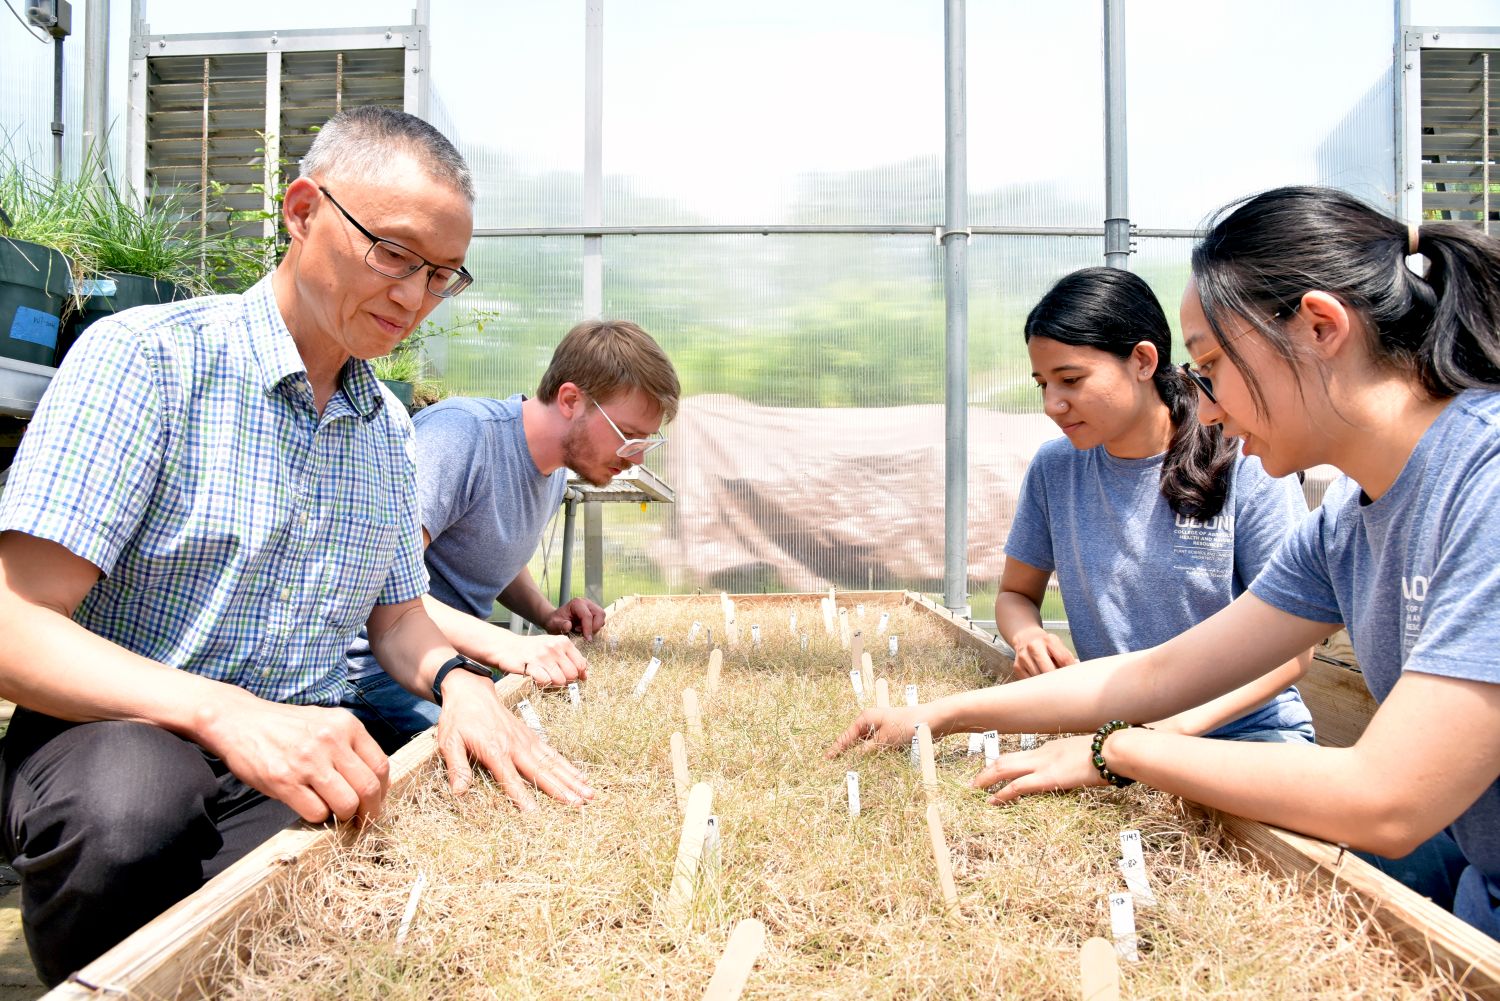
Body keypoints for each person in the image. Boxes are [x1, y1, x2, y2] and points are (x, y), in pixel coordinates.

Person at [0, 106, 590, 986]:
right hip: (114, 731)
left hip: (295, 746)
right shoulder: (149, 359)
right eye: (392, 254)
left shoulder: (385, 424)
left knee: (374, 878)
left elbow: (396, 622)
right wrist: (226, 713)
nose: (413, 297)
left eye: (441, 275)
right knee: (135, 806)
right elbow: (14, 620)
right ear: (303, 210)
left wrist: (461, 681)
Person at [829, 185, 1500, 938]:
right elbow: (1155, 673)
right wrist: (942, 715)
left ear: (1319, 327)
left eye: (1214, 365)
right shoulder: (1348, 523)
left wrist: (1123, 749)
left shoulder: (1487, 482)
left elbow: (1389, 798)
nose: (1206, 406)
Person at [1000, 266, 1313, 742]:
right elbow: (1015, 594)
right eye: (1043, 384)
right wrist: (1028, 636)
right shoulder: (1056, 469)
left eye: (1070, 379)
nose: (1053, 404)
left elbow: (1293, 652)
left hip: (1244, 737)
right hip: (1115, 732)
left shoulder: (1247, 460)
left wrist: (1169, 732)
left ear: (1143, 361)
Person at [343, 319, 680, 752]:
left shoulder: (557, 472)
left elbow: (489, 552)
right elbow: (379, 589)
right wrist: (508, 645)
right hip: (378, 672)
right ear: (571, 400)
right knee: (528, 757)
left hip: (457, 663)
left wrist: (547, 614)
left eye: (644, 445)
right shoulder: (460, 437)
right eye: (628, 437)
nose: (632, 459)